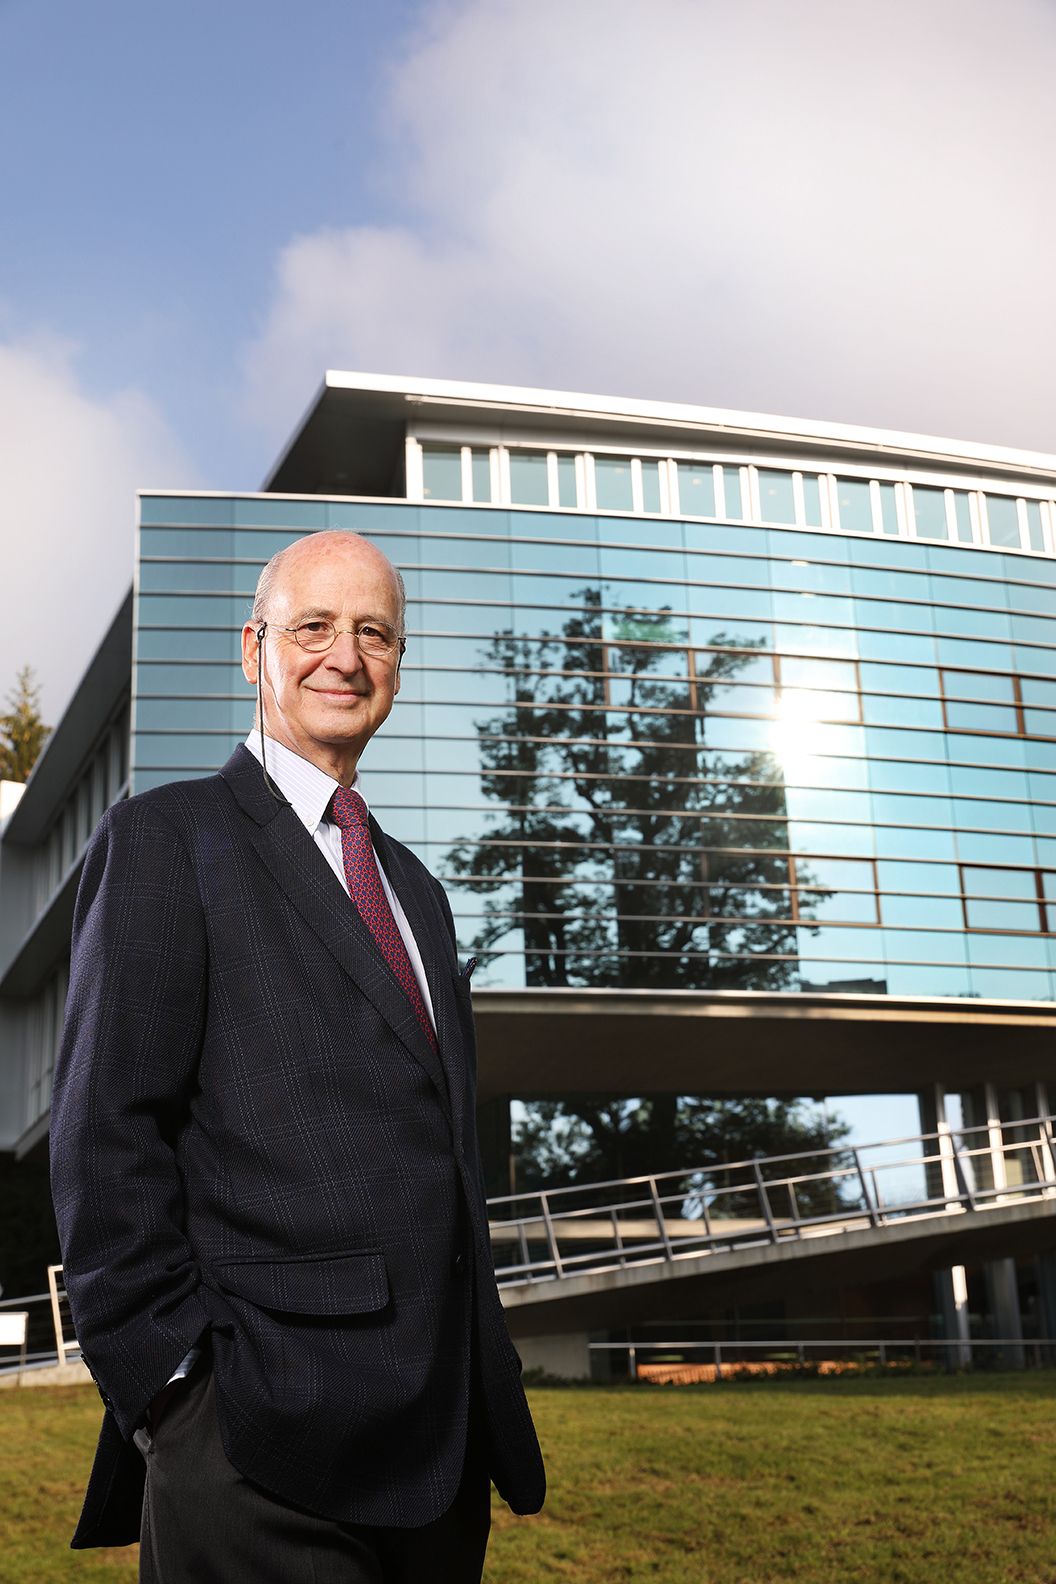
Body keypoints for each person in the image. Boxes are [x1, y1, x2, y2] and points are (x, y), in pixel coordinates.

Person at [50, 530, 545, 1582]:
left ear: (399, 663)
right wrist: (174, 1393)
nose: (346, 657)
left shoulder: (417, 892)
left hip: (438, 1457)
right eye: (313, 626)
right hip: (255, 1447)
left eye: (376, 633)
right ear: (254, 649)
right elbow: (104, 1134)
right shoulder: (164, 839)